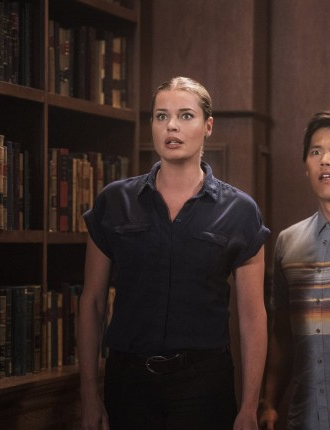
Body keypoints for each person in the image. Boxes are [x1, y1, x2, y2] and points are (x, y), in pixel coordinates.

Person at [78, 76, 270, 430]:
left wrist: (249, 406)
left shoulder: (240, 210)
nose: (171, 126)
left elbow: (252, 316)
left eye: (185, 115)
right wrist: (88, 393)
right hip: (128, 382)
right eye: (161, 116)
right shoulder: (114, 201)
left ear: (208, 126)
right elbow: (92, 303)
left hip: (204, 383)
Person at [258, 109, 330, 430]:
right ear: (306, 166)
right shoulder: (288, 242)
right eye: (316, 152)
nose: (325, 161)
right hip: (304, 415)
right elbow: (281, 333)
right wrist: (269, 402)